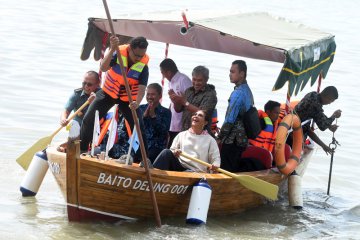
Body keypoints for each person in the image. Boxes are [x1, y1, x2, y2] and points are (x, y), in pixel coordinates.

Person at [80, 36, 150, 153]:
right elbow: (103, 68)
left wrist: (136, 103)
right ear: (130, 49)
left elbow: (142, 88)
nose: (138, 58)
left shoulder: (143, 65)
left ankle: (144, 159)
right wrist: (112, 49)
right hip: (108, 93)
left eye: (141, 56)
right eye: (136, 55)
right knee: (88, 119)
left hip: (127, 99)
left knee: (138, 126)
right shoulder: (118, 53)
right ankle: (82, 150)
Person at [153, 110, 220, 172]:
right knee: (166, 152)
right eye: (195, 114)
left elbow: (215, 158)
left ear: (205, 122)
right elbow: (172, 149)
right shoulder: (181, 135)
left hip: (196, 172)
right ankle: (151, 173)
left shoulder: (210, 140)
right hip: (180, 167)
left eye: (200, 115)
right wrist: (175, 151)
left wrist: (215, 165)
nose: (195, 116)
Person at [217, 60, 254, 172]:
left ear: (242, 74)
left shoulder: (238, 93)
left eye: (233, 72)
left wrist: (219, 138)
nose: (230, 74)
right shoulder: (248, 91)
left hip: (233, 140)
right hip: (243, 140)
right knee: (234, 168)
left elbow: (229, 120)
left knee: (225, 170)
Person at [292, 86, 342, 154]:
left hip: (298, 123)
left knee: (307, 130)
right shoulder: (315, 105)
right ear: (326, 96)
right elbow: (323, 126)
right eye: (330, 100)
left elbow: (319, 115)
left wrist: (329, 126)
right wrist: (334, 116)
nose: (330, 103)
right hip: (294, 131)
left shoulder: (313, 94)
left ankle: (304, 144)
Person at [170, 65, 217, 135]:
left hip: (200, 135)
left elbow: (202, 113)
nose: (196, 83)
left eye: (199, 80)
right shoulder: (189, 91)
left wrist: (184, 102)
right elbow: (178, 110)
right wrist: (176, 101)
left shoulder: (210, 94)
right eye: (194, 79)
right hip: (185, 132)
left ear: (206, 79)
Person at [160, 58, 192, 147]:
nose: (163, 75)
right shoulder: (171, 81)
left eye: (163, 73)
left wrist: (179, 100)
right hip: (172, 120)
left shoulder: (184, 80)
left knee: (175, 149)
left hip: (182, 123)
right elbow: (172, 101)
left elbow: (190, 101)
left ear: (169, 72)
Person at [138, 83, 171, 163]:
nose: (149, 97)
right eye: (148, 94)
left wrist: (153, 116)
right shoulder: (140, 108)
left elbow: (163, 131)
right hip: (140, 145)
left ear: (160, 96)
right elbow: (135, 128)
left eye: (153, 94)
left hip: (156, 148)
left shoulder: (166, 112)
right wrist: (143, 118)